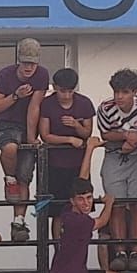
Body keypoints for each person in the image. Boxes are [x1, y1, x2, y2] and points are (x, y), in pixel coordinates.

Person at [0, 38, 46, 241]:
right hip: (6, 123)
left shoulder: (42, 75)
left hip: (27, 125)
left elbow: (35, 107)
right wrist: (15, 96)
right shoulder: (4, 75)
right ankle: (8, 178)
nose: (29, 67)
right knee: (10, 148)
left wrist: (32, 136)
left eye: (32, 63)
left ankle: (19, 221)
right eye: (25, 62)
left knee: (25, 175)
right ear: (18, 61)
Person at [96, 68, 137, 272]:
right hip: (113, 156)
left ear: (135, 91)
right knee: (116, 205)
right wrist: (126, 136)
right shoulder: (104, 108)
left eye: (125, 92)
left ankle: (136, 253)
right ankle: (119, 252)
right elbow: (105, 134)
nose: (120, 97)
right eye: (117, 92)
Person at [46, 180, 122, 273]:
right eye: (81, 199)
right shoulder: (80, 221)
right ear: (72, 201)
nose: (86, 203)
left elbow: (80, 181)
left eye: (89, 198)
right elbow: (102, 221)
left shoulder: (67, 211)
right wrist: (109, 202)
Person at [36, 68, 95, 221]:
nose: (67, 95)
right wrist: (69, 139)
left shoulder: (84, 103)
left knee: (81, 207)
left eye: (70, 91)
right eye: (63, 91)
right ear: (55, 87)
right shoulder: (47, 104)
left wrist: (76, 125)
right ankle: (57, 245)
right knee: (57, 211)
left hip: (79, 164)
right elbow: (45, 135)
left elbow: (87, 133)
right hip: (54, 164)